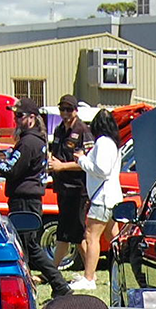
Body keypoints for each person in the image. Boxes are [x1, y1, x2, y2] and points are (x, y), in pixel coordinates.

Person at [5, 97, 70, 296]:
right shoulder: (36, 140)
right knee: (27, 246)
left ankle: (59, 285)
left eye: (19, 116)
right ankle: (46, 286)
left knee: (29, 248)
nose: (15, 120)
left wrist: (2, 161)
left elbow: (10, 169)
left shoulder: (28, 142)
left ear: (31, 118)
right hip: (29, 199)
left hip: (24, 200)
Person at [68, 108, 124, 293]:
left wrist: (82, 160)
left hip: (102, 198)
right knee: (114, 238)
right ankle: (120, 272)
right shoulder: (114, 144)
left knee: (91, 237)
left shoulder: (102, 143)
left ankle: (89, 277)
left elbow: (101, 170)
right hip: (113, 197)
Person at [47, 94, 89, 271]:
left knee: (71, 233)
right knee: (71, 234)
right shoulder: (59, 130)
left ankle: (54, 270)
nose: (65, 113)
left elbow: (87, 163)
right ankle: (87, 271)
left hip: (77, 189)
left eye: (68, 109)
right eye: (62, 109)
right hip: (62, 187)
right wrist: (50, 160)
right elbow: (54, 153)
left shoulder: (83, 130)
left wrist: (61, 166)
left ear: (76, 111)